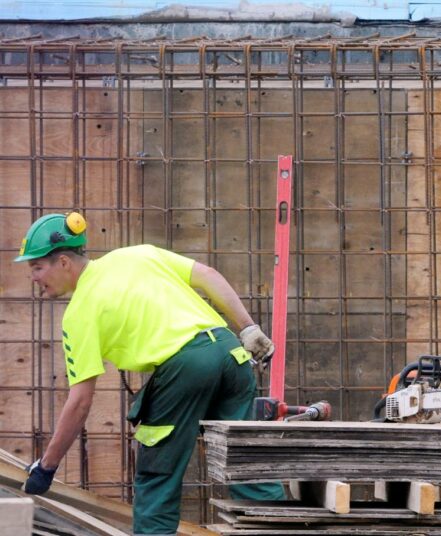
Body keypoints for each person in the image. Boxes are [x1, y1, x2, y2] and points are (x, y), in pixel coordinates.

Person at [15, 212, 285, 536]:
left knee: (157, 481)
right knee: (247, 466)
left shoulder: (79, 315)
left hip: (186, 368)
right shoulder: (136, 255)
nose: (33, 277)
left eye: (36, 267)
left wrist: (46, 467)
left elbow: (80, 402)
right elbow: (208, 275)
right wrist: (249, 328)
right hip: (232, 354)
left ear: (63, 262)